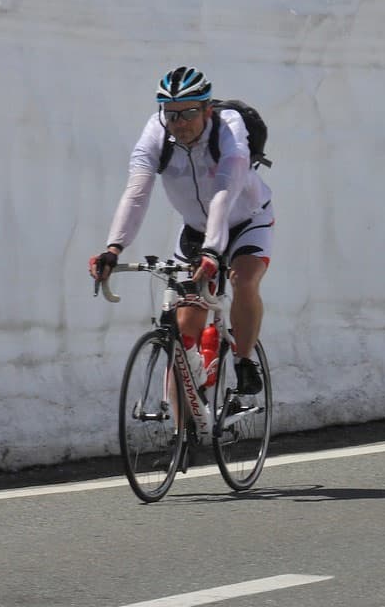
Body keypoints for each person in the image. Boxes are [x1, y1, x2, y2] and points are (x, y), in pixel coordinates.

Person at [89, 65, 274, 397]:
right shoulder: (157, 133)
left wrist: (214, 250)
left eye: (189, 112)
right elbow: (137, 191)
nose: (180, 123)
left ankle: (244, 361)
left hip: (248, 221)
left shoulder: (229, 131)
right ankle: (182, 436)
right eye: (172, 115)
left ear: (206, 109)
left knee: (242, 281)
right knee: (183, 333)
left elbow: (224, 190)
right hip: (196, 231)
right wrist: (113, 248)